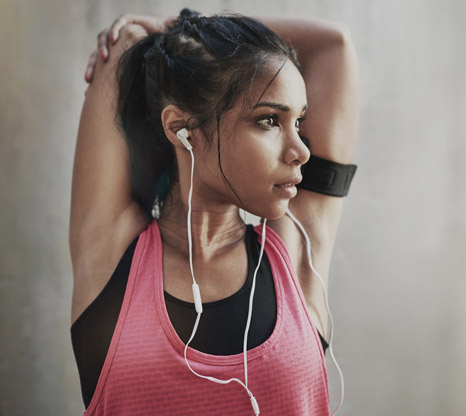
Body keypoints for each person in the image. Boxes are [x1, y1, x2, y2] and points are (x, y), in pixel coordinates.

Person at [69, 8, 359, 415]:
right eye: (270, 121)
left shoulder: (295, 252)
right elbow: (123, 43)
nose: (301, 151)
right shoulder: (113, 254)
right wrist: (179, 46)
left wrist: (180, 28)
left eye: (300, 122)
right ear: (181, 128)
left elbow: (336, 46)